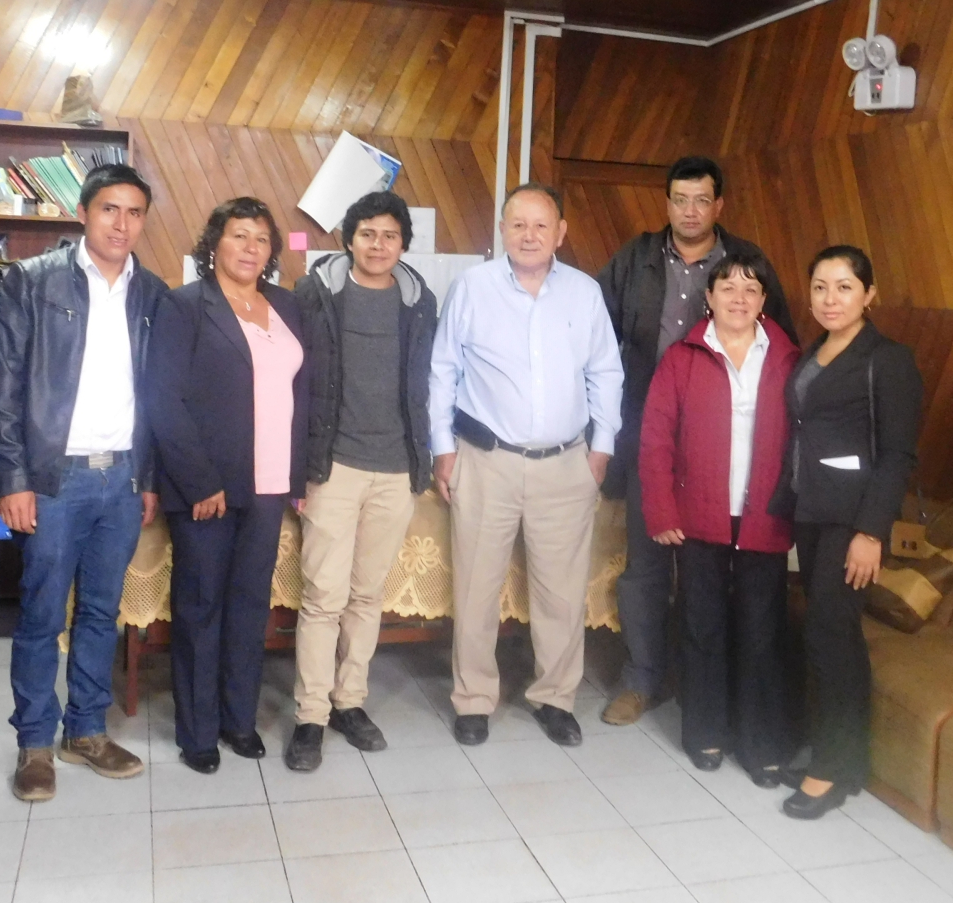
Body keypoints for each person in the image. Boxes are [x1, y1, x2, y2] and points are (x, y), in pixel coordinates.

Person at [0, 164, 166, 802]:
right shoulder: (32, 281)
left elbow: (156, 395)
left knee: (100, 612)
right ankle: (35, 744)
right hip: (53, 479)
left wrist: (147, 477)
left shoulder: (151, 293)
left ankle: (85, 731)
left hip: (122, 478)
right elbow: (2, 389)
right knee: (41, 614)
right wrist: (13, 478)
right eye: (110, 209)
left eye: (135, 213)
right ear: (83, 212)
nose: (122, 224)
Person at [598, 156, 798, 727]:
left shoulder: (745, 263)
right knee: (647, 566)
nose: (690, 211)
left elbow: (783, 350)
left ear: (719, 206)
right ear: (666, 203)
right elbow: (594, 337)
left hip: (730, 450)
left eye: (701, 200)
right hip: (652, 437)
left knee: (714, 575)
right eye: (680, 200)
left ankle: (705, 687)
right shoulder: (635, 259)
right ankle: (641, 678)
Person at [429, 182, 623, 748]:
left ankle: (554, 697)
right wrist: (442, 448)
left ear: (561, 232)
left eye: (542, 225)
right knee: (476, 589)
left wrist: (601, 448)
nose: (530, 235)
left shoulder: (584, 293)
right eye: (518, 224)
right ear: (502, 231)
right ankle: (473, 699)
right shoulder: (473, 288)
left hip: (565, 465)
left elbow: (605, 373)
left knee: (561, 593)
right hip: (484, 460)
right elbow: (443, 370)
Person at [148, 197, 308, 774]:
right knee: (201, 607)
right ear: (214, 243)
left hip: (269, 485)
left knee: (249, 606)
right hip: (208, 489)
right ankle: (198, 732)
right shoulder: (186, 305)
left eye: (261, 239)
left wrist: (299, 476)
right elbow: (164, 399)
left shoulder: (286, 305)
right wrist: (199, 481)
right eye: (239, 235)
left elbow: (302, 393)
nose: (250, 247)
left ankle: (239, 719)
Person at [285, 191, 437, 771]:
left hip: (396, 469)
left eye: (390, 236)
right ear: (349, 239)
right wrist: (298, 468)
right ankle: (310, 715)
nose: (378, 245)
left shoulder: (420, 301)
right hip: (334, 466)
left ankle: (349, 702)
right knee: (323, 597)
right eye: (368, 233)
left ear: (403, 244)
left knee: (367, 595)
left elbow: (428, 381)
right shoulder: (316, 293)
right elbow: (294, 382)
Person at [772, 245, 922, 819]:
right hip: (811, 511)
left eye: (843, 287)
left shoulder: (887, 359)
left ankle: (831, 769)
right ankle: (842, 758)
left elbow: (898, 454)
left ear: (869, 294)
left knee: (830, 633)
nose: (829, 299)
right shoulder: (815, 351)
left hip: (852, 520)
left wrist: (871, 533)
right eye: (819, 287)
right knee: (830, 634)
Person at [638, 251, 799, 787]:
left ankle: (760, 743)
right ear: (708, 297)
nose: (738, 298)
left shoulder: (787, 358)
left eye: (751, 289)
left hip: (765, 517)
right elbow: (655, 438)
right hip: (698, 515)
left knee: (762, 631)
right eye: (727, 287)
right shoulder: (682, 357)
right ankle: (704, 731)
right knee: (701, 625)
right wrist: (661, 508)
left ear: (764, 301)